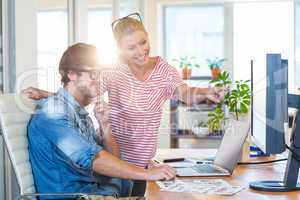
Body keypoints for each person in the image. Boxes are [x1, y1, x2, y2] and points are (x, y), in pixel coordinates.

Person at [24, 13, 224, 196]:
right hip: (105, 176)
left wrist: (206, 92)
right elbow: (83, 95)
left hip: (128, 168)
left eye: (143, 42)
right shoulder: (60, 110)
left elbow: (185, 93)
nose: (140, 51)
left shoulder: (163, 70)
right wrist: (48, 94)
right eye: (131, 47)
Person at [27, 43, 176, 200]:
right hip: (75, 196)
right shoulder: (54, 113)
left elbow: (113, 159)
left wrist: (106, 125)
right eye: (93, 73)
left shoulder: (79, 113)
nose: (99, 80)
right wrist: (147, 174)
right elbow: (94, 160)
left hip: (97, 192)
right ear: (71, 74)